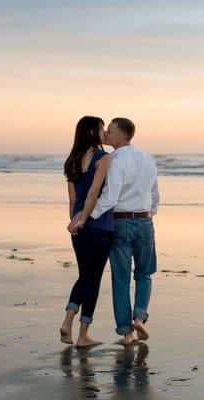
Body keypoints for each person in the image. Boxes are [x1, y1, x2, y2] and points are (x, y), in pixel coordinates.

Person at [69, 117, 159, 345]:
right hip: (146, 221)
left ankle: (127, 333)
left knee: (120, 277)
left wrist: (86, 215)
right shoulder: (148, 159)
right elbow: (155, 193)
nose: (106, 134)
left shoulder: (115, 160)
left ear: (121, 136)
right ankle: (140, 317)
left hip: (120, 223)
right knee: (144, 273)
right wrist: (150, 213)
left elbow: (110, 197)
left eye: (109, 131)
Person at [60, 116, 114, 348]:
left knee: (84, 275)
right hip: (99, 225)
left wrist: (75, 220)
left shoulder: (71, 160)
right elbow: (94, 193)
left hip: (78, 227)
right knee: (93, 279)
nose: (104, 134)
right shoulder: (103, 158)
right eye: (101, 129)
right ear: (92, 132)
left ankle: (67, 322)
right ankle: (82, 335)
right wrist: (84, 219)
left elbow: (73, 200)